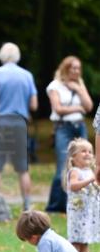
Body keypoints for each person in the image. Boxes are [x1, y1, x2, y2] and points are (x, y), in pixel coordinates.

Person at [0, 43, 38, 210]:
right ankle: (27, 204)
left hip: (0, 123)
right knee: (22, 167)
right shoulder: (27, 75)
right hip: (19, 122)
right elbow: (34, 105)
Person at [44, 56, 94, 213]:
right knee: (63, 166)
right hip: (63, 128)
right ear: (65, 68)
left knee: (84, 164)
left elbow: (89, 106)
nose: (76, 71)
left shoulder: (80, 85)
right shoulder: (55, 86)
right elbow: (58, 108)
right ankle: (55, 206)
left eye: (78, 68)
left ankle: (78, 202)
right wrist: (77, 108)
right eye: (73, 68)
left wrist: (79, 89)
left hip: (79, 127)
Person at [63, 138, 100, 252]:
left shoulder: (89, 171)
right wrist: (91, 179)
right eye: (83, 151)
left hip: (87, 214)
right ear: (73, 157)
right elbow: (73, 186)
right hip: (78, 215)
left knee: (85, 241)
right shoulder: (75, 171)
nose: (88, 154)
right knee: (76, 242)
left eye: (90, 151)